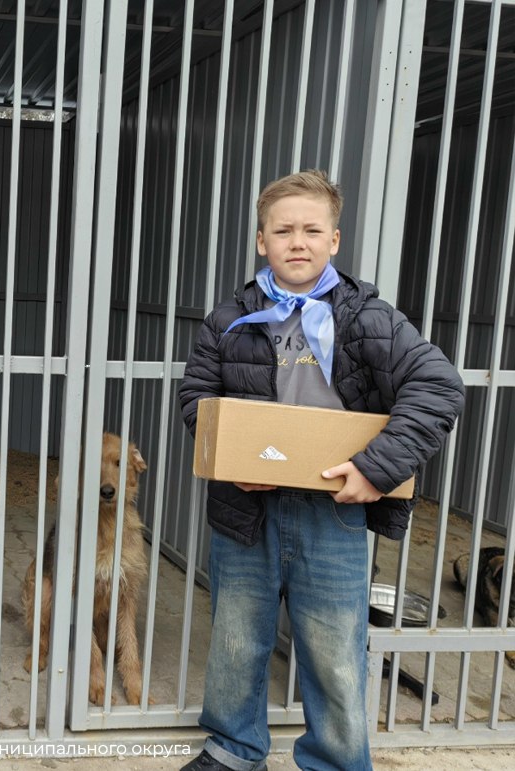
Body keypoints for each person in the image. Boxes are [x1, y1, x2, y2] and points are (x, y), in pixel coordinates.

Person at [177, 170, 464, 771]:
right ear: (262, 240)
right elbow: (196, 399)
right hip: (246, 507)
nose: (297, 242)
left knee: (334, 651)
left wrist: (376, 471)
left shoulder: (369, 318)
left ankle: (335, 760)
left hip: (336, 509)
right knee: (236, 641)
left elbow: (438, 388)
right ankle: (233, 747)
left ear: (335, 240)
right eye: (284, 230)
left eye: (312, 230)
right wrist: (232, 462)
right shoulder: (226, 319)